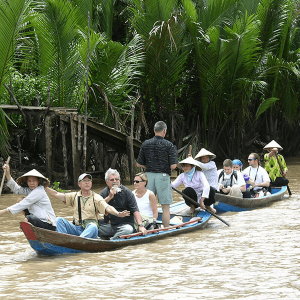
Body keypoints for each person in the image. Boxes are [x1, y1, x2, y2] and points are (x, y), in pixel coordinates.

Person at [45, 173, 130, 239]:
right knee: (59, 220)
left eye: (89, 181)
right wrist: (44, 187)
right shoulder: (74, 196)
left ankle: (79, 241)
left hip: (90, 230)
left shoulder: (96, 197)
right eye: (84, 181)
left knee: (93, 226)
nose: (87, 183)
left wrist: (118, 213)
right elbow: (57, 194)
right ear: (79, 184)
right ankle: (63, 240)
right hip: (77, 228)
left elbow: (108, 207)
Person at [136, 121, 178, 228]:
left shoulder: (146, 144)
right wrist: (163, 167)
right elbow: (173, 166)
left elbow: (138, 163)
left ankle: (144, 226)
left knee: (147, 203)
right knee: (165, 207)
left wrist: (149, 167)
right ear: (165, 131)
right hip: (163, 177)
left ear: (154, 130)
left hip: (148, 176)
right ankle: (166, 229)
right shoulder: (169, 145)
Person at [0, 162, 56, 231]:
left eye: (34, 181)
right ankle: (29, 222)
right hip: (39, 220)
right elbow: (16, 189)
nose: (31, 183)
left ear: (38, 181)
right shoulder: (30, 190)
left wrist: (3, 211)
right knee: (20, 199)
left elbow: (24, 203)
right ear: (27, 182)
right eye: (29, 181)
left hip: (48, 224)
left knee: (28, 217)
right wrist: (7, 173)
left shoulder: (39, 191)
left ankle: (28, 222)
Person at [98, 168, 147, 240]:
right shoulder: (103, 193)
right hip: (109, 226)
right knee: (93, 228)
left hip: (124, 225)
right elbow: (97, 208)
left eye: (117, 179)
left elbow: (135, 210)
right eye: (112, 180)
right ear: (107, 182)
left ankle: (111, 241)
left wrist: (141, 225)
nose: (115, 181)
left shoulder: (127, 192)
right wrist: (110, 197)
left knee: (128, 230)